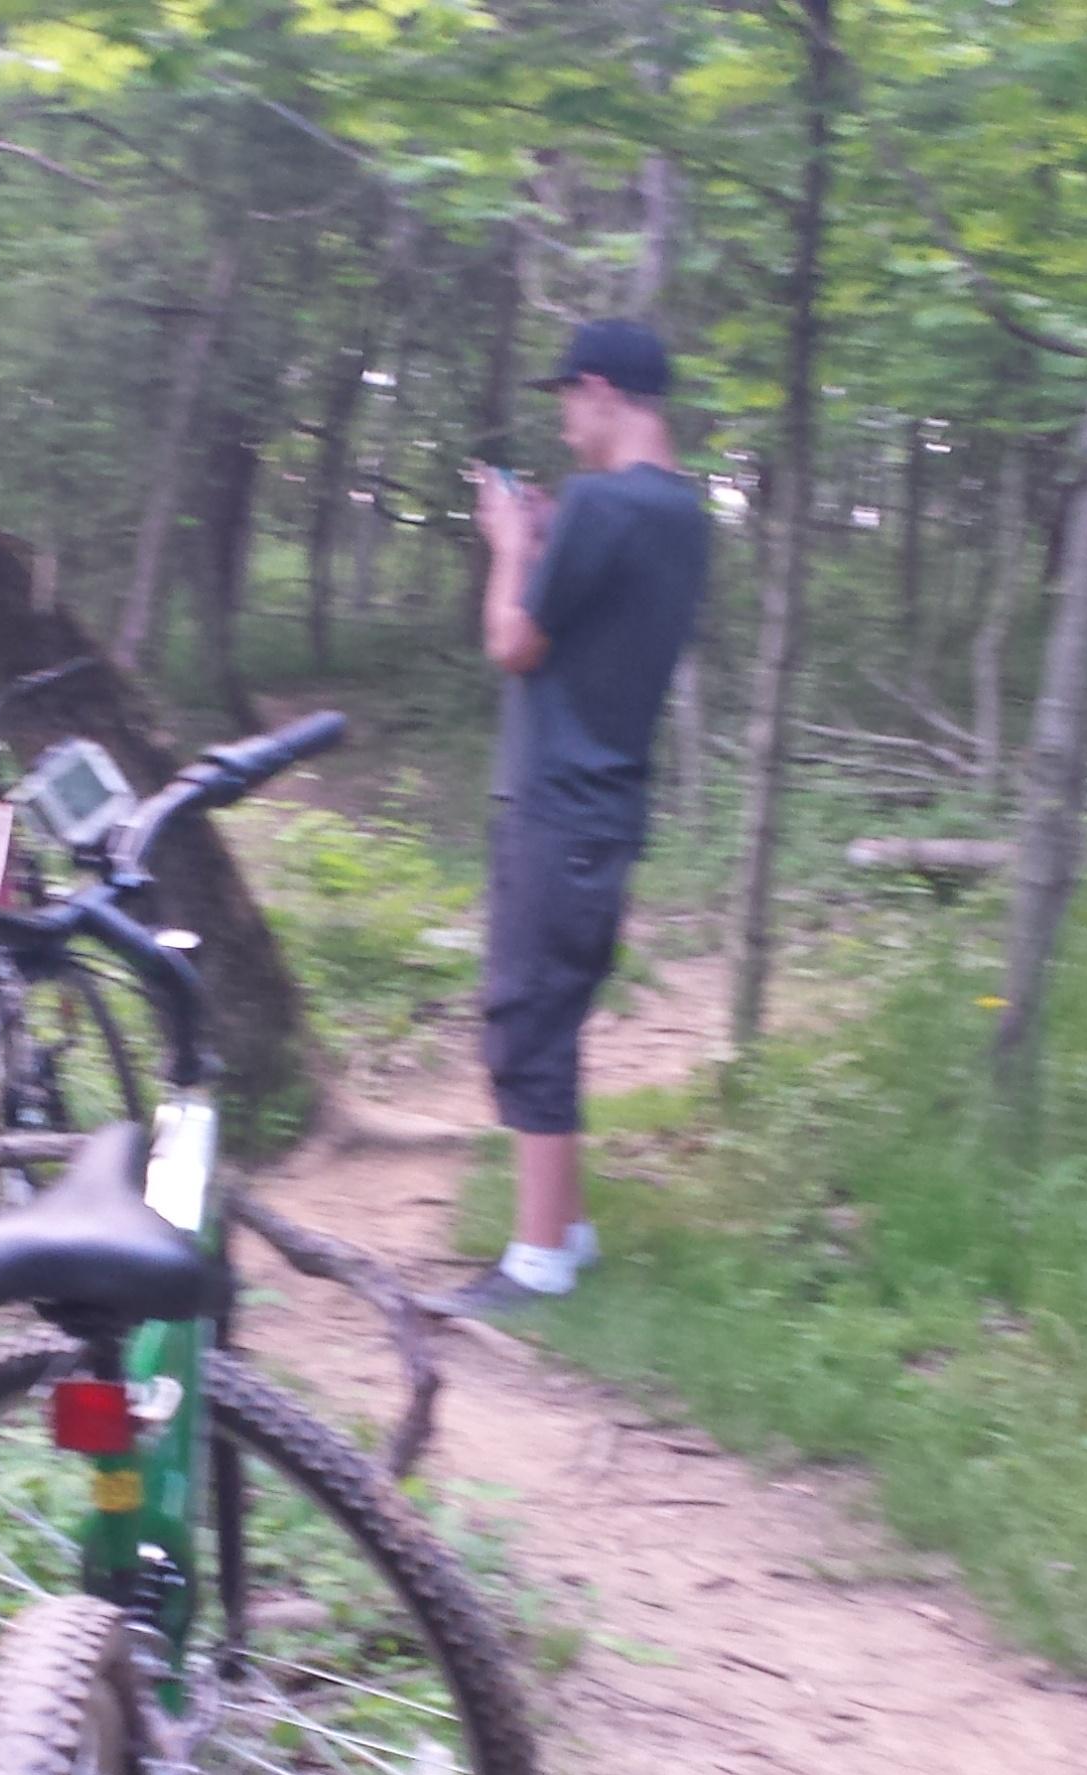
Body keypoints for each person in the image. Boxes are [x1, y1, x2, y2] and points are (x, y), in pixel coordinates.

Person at [441, 317, 710, 1316]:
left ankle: (537, 1263)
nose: (563, 425)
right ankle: (572, 1231)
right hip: (609, 799)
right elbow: (597, 620)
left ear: (602, 390)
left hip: (557, 799)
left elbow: (514, 643)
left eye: (566, 401)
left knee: (525, 1021)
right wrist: (552, 543)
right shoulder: (678, 512)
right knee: (552, 1008)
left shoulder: (602, 501)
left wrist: (511, 545)